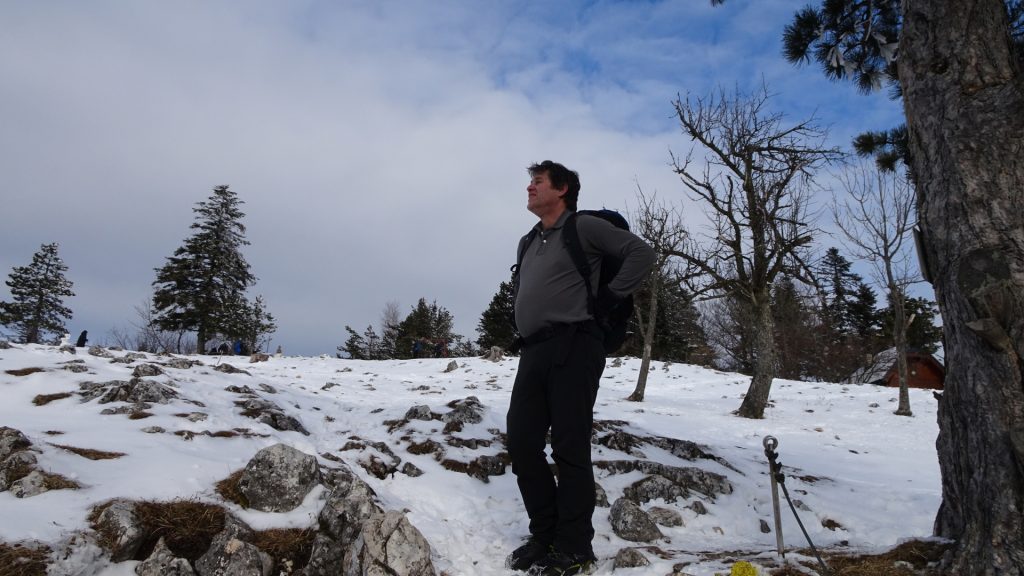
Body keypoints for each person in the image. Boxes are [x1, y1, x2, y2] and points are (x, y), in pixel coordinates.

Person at [506, 160, 655, 575]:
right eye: (530, 182)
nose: (529, 188)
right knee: (521, 442)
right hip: (534, 351)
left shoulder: (583, 227)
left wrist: (608, 297)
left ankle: (574, 548)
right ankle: (545, 535)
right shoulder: (528, 240)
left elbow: (641, 253)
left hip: (576, 345)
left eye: (538, 182)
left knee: (570, 447)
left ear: (563, 189)